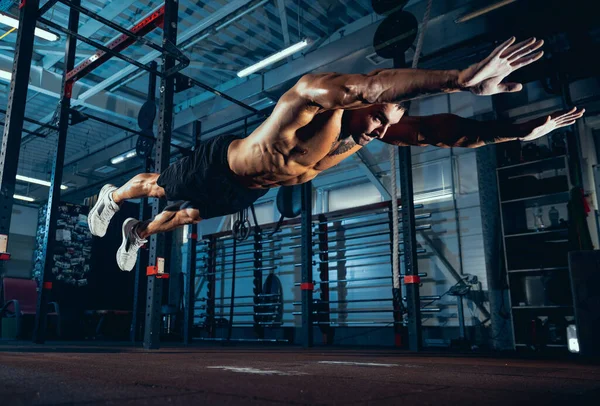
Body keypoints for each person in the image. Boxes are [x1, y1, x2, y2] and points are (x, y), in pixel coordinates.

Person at [87, 37, 585, 271]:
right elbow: (369, 85)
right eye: (382, 114)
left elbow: (439, 133)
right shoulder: (314, 96)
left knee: (188, 216)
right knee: (157, 188)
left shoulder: (373, 128)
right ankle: (115, 196)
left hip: (246, 188)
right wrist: (457, 78)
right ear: (365, 102)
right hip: (221, 162)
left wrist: (515, 133)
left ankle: (139, 232)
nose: (386, 127)